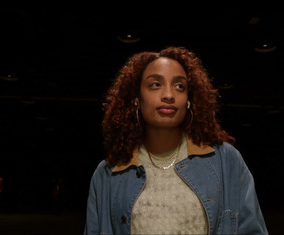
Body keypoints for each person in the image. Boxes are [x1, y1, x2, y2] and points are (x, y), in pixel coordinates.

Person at [84, 46, 268, 234]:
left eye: (179, 86)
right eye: (155, 84)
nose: (169, 95)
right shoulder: (107, 175)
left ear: (189, 101)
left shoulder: (226, 161)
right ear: (136, 99)